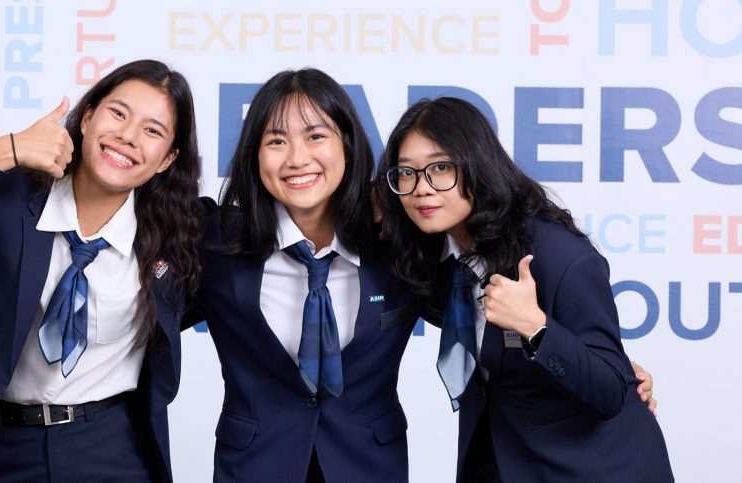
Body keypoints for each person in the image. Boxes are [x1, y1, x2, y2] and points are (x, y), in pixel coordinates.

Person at [0, 59, 202, 483]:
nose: (128, 136)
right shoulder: (8, 200)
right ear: (87, 117)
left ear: (167, 159)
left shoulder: (181, 235)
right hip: (2, 448)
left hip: (113, 447)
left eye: (153, 130)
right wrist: (4, 150)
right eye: (118, 113)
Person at [375, 96, 674, 482]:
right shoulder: (437, 253)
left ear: (477, 165)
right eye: (406, 172)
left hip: (594, 469)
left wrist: (537, 328)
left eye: (441, 167)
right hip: (508, 461)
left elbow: (611, 391)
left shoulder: (559, 256)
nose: (422, 188)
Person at [187, 68, 422, 483]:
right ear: (254, 155)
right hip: (255, 468)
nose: (297, 158)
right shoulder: (217, 242)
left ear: (347, 145)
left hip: (370, 468)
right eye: (276, 140)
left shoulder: (400, 243)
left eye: (316, 136)